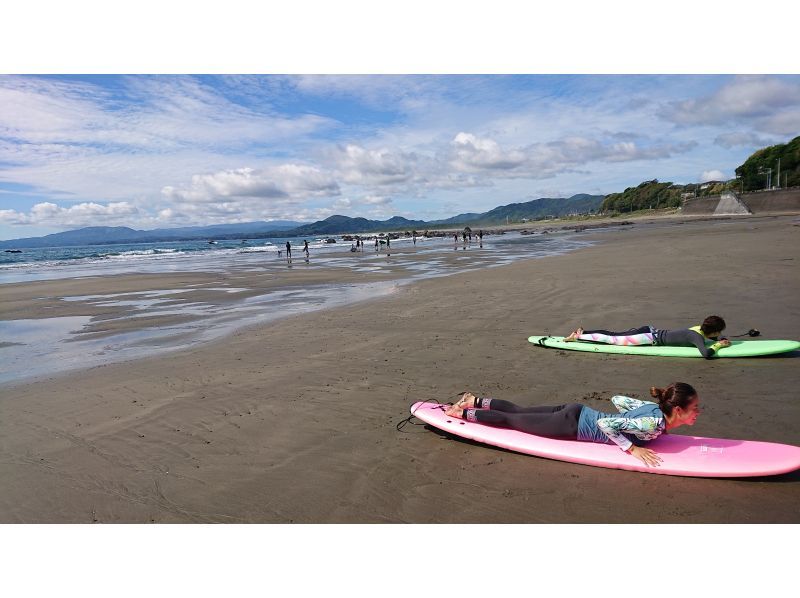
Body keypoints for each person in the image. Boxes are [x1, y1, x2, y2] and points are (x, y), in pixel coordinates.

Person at [445, 382, 700, 467]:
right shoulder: (652, 425)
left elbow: (618, 400)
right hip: (570, 426)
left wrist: (631, 422)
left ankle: (473, 400)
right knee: (513, 421)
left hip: (576, 410)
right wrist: (632, 448)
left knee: (520, 412)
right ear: (677, 410)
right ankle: (462, 414)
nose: (697, 413)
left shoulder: (654, 408)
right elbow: (607, 425)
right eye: (694, 409)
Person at [563, 315, 732, 359]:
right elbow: (706, 354)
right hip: (646, 338)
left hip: (649, 332)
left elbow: (711, 337)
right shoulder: (697, 337)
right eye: (718, 332)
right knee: (612, 340)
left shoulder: (697, 329)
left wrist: (718, 339)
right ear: (714, 331)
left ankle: (583, 333)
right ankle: (577, 338)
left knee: (614, 334)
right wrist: (719, 346)